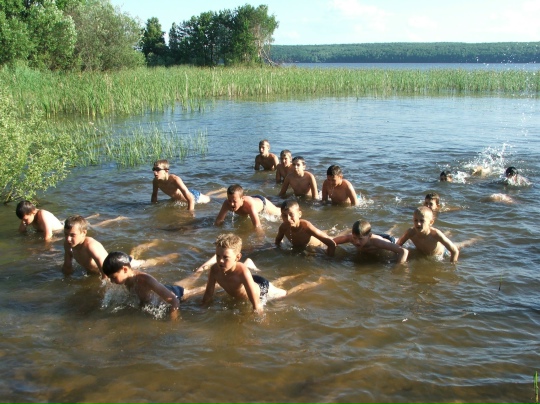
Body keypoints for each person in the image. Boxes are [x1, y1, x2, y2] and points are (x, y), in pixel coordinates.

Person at [202, 233, 319, 313]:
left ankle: (315, 282)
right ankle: (294, 275)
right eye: (218, 256)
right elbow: (208, 295)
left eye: (225, 257)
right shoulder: (214, 270)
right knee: (276, 283)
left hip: (263, 290)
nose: (220, 261)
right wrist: (202, 310)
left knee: (286, 294)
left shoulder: (242, 272)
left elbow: (256, 304)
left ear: (237, 257)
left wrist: (260, 319)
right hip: (253, 281)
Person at [62, 215, 179, 278]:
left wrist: (103, 292)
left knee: (146, 263)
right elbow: (67, 266)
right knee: (132, 255)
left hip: (119, 266)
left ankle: (173, 256)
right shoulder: (68, 245)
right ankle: (145, 245)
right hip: (102, 268)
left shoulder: (91, 246)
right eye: (66, 234)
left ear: (84, 233)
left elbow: (105, 274)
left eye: (72, 235)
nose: (68, 239)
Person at [102, 251, 205, 320]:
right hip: (167, 288)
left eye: (113, 277)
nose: (111, 281)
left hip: (177, 295)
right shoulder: (126, 279)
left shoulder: (145, 279)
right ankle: (199, 271)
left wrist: (174, 320)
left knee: (198, 290)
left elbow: (174, 300)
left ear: (125, 269)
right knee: (192, 278)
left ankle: (212, 282)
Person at [333, 220, 408, 263]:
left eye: (360, 239)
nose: (357, 242)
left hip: (388, 240)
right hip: (369, 236)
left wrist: (398, 268)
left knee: (390, 234)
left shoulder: (377, 242)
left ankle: (393, 227)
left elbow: (404, 251)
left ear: (369, 236)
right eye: (355, 238)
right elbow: (333, 241)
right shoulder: (351, 238)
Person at [214, 184, 281, 228]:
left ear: (242, 198)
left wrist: (259, 240)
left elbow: (257, 226)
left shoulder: (249, 205)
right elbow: (218, 221)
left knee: (279, 213)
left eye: (234, 201)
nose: (231, 204)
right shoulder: (226, 203)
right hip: (252, 199)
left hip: (262, 202)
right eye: (229, 200)